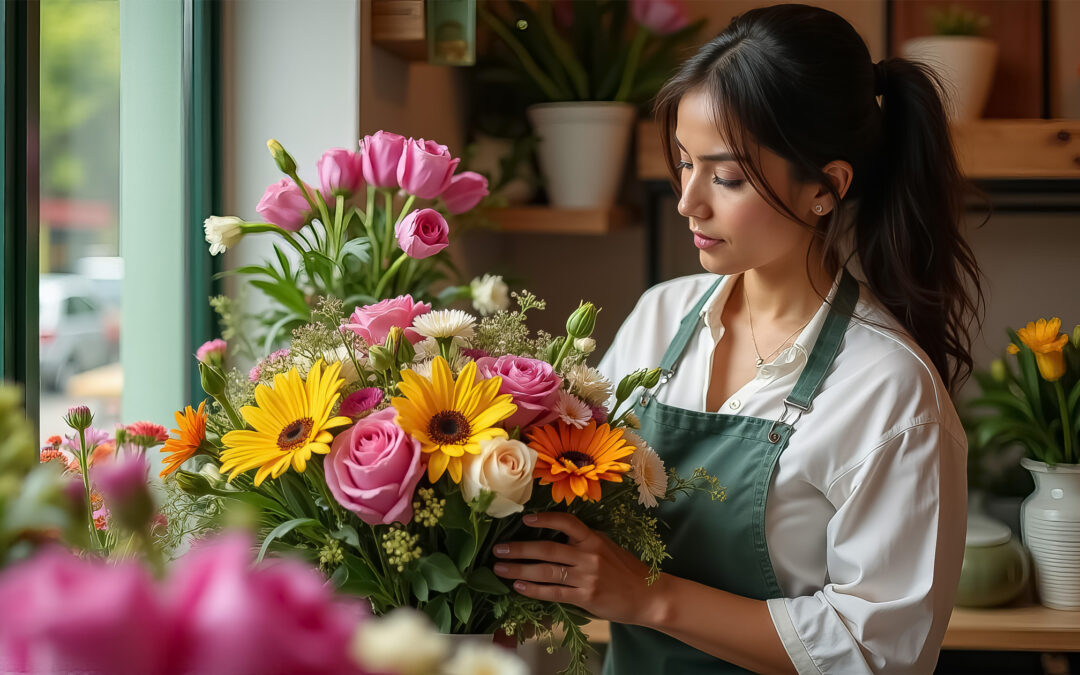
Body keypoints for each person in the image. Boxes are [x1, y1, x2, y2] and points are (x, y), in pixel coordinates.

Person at [491, 4, 984, 673]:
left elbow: (877, 651)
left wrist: (649, 597)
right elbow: (578, 486)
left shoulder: (891, 393)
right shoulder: (661, 317)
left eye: (725, 176)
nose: (690, 200)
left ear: (825, 187)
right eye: (685, 163)